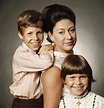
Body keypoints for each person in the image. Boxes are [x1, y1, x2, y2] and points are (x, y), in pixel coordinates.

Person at [9, 10, 54, 108]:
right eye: (29, 33)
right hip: (24, 104)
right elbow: (47, 62)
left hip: (40, 101)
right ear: (21, 35)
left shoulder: (40, 51)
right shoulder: (21, 54)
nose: (35, 38)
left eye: (39, 33)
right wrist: (49, 48)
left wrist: (49, 46)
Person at [41, 4, 77, 108]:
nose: (69, 36)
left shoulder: (70, 57)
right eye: (61, 32)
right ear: (51, 35)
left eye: (72, 30)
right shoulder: (54, 70)